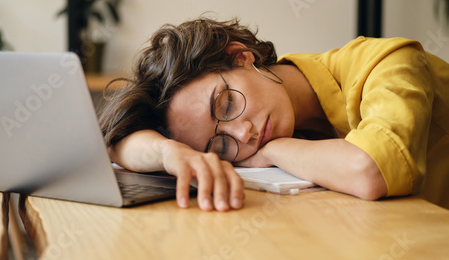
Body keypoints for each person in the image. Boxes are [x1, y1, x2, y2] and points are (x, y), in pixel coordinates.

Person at [99, 17, 449, 212]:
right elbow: (116, 145)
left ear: (241, 56)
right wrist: (168, 152)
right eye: (220, 146)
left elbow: (369, 171)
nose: (242, 135)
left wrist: (270, 151)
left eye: (227, 104)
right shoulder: (255, 131)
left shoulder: (389, 62)